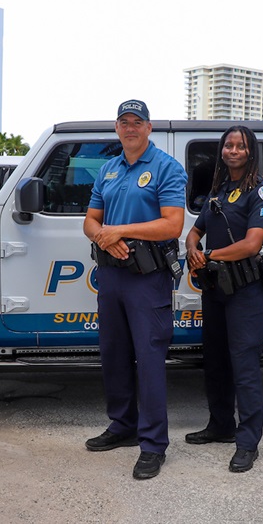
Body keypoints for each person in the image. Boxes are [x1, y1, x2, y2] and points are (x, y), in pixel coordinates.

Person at [82, 99, 187, 480]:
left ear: (148, 128)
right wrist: (104, 237)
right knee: (114, 354)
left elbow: (172, 225)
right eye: (124, 122)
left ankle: (153, 445)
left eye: (136, 122)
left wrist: (121, 231)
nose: (130, 128)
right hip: (111, 274)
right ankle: (122, 426)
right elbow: (91, 221)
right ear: (117, 128)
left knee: (150, 359)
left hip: (147, 277)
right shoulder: (107, 169)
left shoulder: (166, 168)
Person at [183, 125, 263, 473]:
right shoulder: (220, 190)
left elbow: (253, 244)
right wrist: (192, 247)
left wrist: (210, 256)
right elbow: (196, 230)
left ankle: (248, 441)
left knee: (245, 366)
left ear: (250, 152)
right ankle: (220, 425)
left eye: (240, 146)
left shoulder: (259, 191)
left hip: (244, 291)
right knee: (217, 360)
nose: (232, 150)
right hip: (216, 289)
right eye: (228, 145)